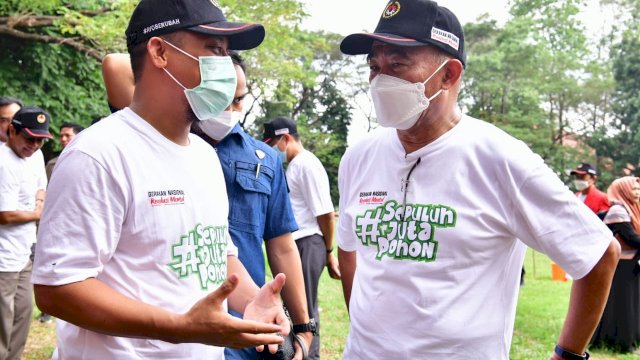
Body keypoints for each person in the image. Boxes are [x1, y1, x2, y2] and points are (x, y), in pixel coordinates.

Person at [336, 1, 619, 359]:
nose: (381, 79)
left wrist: (567, 354)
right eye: (375, 66)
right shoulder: (359, 157)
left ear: (449, 74)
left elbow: (597, 253)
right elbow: (348, 249)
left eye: (398, 64)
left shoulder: (500, 159)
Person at [31, 0, 292, 358]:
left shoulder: (203, 155)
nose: (227, 68)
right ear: (160, 52)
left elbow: (217, 253)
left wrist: (253, 299)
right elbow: (57, 289)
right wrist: (178, 327)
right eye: (214, 50)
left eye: (227, 53)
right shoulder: (98, 154)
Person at [101, 50, 313, 360]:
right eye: (220, 95)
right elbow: (116, 64)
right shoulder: (162, 137)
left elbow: (281, 245)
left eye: (237, 99)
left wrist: (304, 324)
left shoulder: (263, 158)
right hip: (170, 325)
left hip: (247, 315)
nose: (228, 108)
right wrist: (195, 62)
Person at [263, 117, 341, 360]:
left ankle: (310, 356)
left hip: (308, 242)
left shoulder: (307, 164)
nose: (272, 149)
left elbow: (326, 214)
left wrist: (329, 252)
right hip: (296, 244)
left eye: (273, 143)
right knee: (296, 306)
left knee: (305, 309)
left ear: (285, 138)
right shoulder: (294, 166)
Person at [0, 106, 51, 360]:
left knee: (22, 315)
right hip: (2, 259)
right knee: (2, 322)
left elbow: (41, 187)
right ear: (12, 130)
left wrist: (39, 205)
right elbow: (5, 215)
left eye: (40, 140)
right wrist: (40, 214)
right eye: (29, 138)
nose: (34, 145)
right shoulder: (2, 162)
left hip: (25, 250)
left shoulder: (36, 157)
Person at [591, 176, 640, 352]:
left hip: (631, 264)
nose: (637, 193)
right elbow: (630, 238)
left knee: (630, 303)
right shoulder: (619, 210)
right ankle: (621, 343)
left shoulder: (632, 208)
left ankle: (626, 340)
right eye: (633, 189)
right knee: (623, 304)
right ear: (623, 190)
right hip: (621, 265)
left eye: (638, 190)